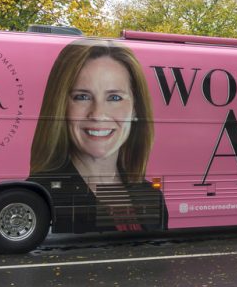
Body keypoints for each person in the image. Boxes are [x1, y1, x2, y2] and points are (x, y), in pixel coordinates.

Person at [28, 39, 165, 233]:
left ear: (135, 109)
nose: (98, 114)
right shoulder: (42, 194)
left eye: (114, 98)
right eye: (82, 97)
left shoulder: (152, 196)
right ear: (61, 107)